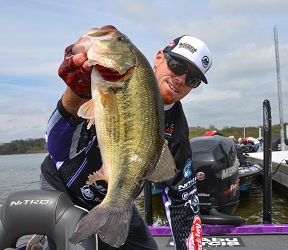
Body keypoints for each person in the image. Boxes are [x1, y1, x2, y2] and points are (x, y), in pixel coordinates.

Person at [28, 33, 212, 250]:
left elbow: (183, 201)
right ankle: (42, 239)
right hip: (63, 187)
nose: (180, 79)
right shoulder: (108, 81)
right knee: (75, 245)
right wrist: (75, 93)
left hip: (116, 199)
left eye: (192, 79)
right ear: (159, 58)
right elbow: (58, 151)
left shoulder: (177, 131)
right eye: (177, 65)